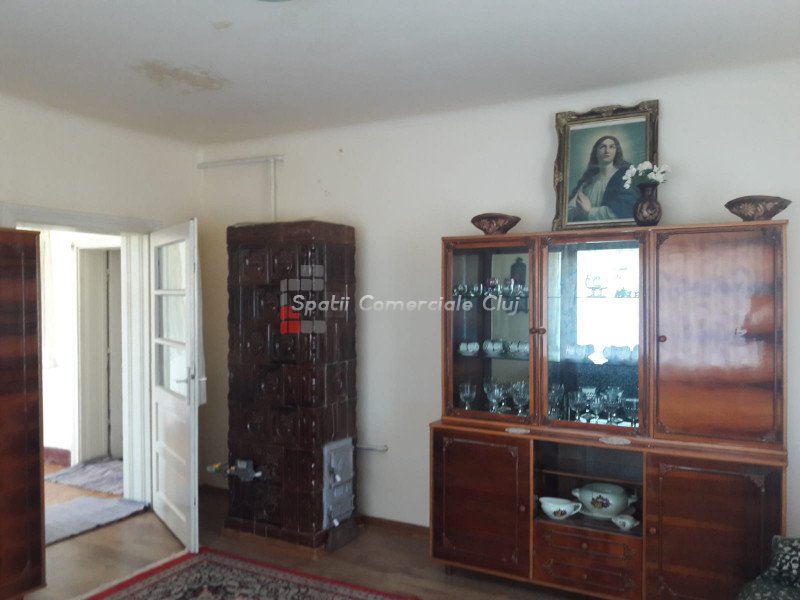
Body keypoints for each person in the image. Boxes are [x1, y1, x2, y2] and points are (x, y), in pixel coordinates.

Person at [567, 135, 640, 222]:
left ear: (616, 152)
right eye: (602, 147)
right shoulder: (587, 183)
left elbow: (625, 209)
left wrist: (590, 211)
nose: (607, 151)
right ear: (596, 152)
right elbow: (567, 213)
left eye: (611, 147)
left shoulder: (624, 177)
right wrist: (578, 210)